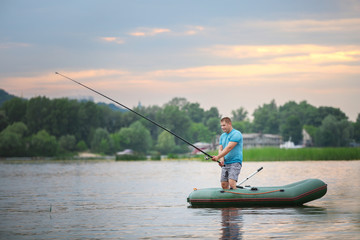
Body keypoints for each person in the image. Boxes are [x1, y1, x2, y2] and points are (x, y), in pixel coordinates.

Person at [212, 117, 243, 189]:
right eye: (221, 126)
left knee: (232, 183)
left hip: (235, 162)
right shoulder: (222, 136)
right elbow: (221, 149)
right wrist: (221, 160)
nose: (222, 127)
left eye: (224, 125)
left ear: (230, 124)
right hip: (226, 163)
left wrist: (217, 157)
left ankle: (238, 197)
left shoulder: (236, 134)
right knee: (224, 185)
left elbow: (229, 148)